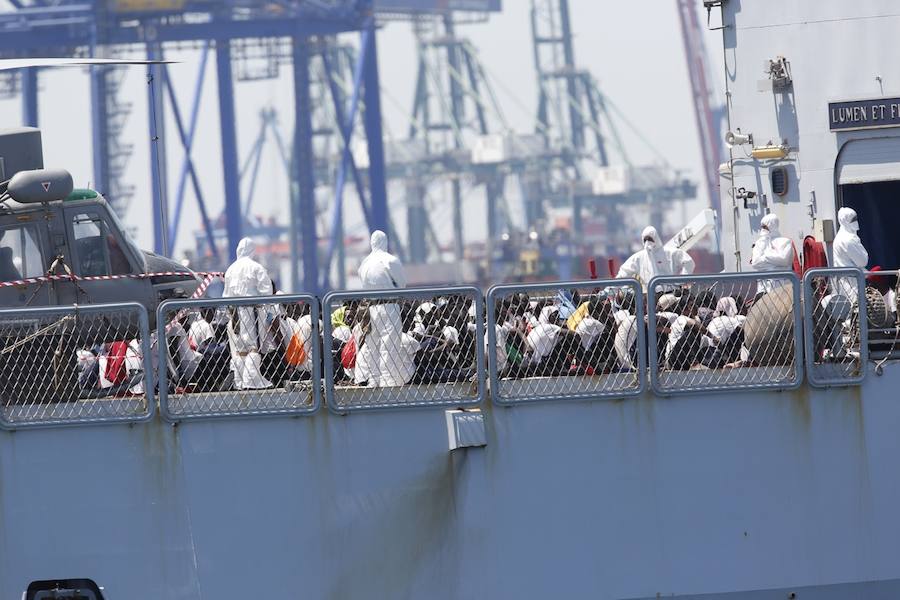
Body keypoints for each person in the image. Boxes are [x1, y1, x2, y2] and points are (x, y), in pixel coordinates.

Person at [222, 237, 273, 390]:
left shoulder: (230, 269)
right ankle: (251, 380)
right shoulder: (256, 267)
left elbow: (226, 295)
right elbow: (267, 291)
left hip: (234, 312)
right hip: (253, 311)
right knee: (253, 346)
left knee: (240, 349)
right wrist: (268, 310)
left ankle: (240, 381)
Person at [358, 230, 407, 387]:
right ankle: (388, 381)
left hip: (370, 308)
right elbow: (402, 284)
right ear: (385, 242)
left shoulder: (364, 263)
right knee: (390, 344)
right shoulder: (390, 260)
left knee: (373, 345)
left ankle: (374, 380)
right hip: (389, 305)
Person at [616, 226, 694, 291]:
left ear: (656, 238)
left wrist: (681, 281)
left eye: (650, 239)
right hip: (649, 295)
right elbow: (624, 272)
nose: (647, 242)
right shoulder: (639, 257)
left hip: (669, 293)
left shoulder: (669, 253)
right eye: (645, 239)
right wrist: (611, 289)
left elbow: (688, 262)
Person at [750, 213, 793, 295]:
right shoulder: (760, 243)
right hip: (764, 288)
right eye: (762, 227)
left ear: (772, 225)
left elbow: (784, 260)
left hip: (783, 288)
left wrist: (765, 257)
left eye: (765, 227)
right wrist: (775, 264)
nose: (763, 229)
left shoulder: (785, 242)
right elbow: (755, 263)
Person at [832, 207, 868, 299]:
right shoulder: (849, 239)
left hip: (842, 282)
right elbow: (863, 261)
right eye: (852, 219)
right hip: (853, 282)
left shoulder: (838, 238)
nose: (855, 222)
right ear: (845, 221)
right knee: (857, 309)